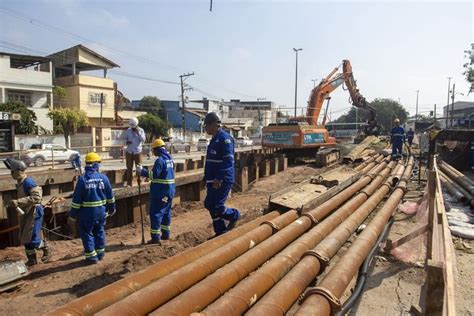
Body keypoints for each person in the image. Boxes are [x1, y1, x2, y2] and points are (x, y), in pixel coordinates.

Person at [68, 152, 115, 264]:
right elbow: (110, 197)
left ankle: (91, 257)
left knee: (87, 233)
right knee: (99, 231)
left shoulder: (83, 180)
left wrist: (72, 215)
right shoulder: (104, 178)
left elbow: (76, 200)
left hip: (87, 214)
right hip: (101, 212)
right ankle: (100, 253)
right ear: (96, 164)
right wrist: (112, 209)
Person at [4, 158, 51, 266]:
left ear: (18, 171)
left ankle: (46, 247)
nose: (11, 174)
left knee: (33, 238)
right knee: (25, 238)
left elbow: (37, 197)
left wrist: (18, 201)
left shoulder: (28, 182)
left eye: (12, 172)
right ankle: (32, 260)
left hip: (34, 211)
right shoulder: (20, 183)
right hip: (27, 212)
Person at [203, 112, 240, 237]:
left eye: (206, 126)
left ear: (214, 125)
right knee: (209, 204)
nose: (205, 128)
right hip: (212, 179)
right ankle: (220, 231)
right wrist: (206, 178)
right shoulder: (214, 139)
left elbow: (228, 161)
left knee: (218, 206)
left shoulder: (225, 139)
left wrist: (219, 177)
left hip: (222, 180)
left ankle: (234, 215)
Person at [136, 139, 175, 244]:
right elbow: (164, 174)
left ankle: (155, 237)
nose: (153, 152)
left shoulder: (160, 160)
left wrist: (142, 171)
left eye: (153, 150)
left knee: (156, 213)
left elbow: (154, 175)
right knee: (166, 212)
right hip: (170, 191)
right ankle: (166, 234)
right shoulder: (170, 159)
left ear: (158, 149)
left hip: (161, 192)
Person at [124, 117, 146, 186]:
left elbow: (143, 140)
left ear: (137, 124)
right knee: (129, 168)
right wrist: (127, 142)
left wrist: (138, 133)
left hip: (137, 152)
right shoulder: (128, 130)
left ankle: (139, 182)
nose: (133, 128)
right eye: (132, 126)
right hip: (129, 152)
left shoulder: (141, 130)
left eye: (134, 126)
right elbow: (124, 140)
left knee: (139, 168)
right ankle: (129, 183)